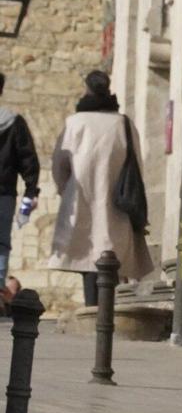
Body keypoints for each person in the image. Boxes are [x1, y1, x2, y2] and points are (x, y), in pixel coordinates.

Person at [49, 70, 154, 305]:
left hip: (81, 197)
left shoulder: (75, 123)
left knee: (87, 256)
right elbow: (137, 163)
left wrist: (64, 190)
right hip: (117, 200)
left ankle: (92, 309)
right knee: (110, 256)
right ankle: (105, 312)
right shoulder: (123, 124)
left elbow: (59, 164)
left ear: (87, 89)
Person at [0, 73, 41, 286]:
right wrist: (31, 192)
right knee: (1, 246)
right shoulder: (14, 122)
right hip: (4, 194)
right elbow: (28, 161)